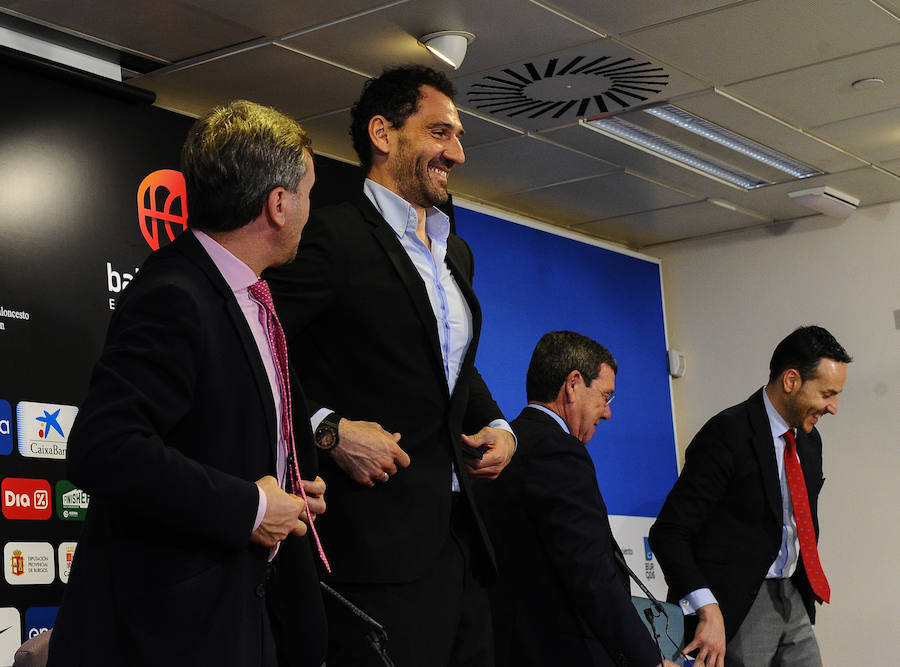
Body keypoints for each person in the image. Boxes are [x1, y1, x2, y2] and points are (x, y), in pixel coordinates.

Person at [47, 100, 327, 667]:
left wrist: (289, 492)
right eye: (307, 194)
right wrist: (251, 506)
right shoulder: (175, 292)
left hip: (237, 621)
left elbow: (214, 435)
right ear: (277, 204)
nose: (308, 212)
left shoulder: (250, 298)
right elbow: (106, 447)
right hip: (169, 635)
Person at [265, 65, 516, 666]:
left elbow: (450, 365)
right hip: (373, 549)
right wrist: (328, 428)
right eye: (439, 133)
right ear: (383, 133)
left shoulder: (457, 250)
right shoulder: (330, 235)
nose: (456, 152)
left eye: (457, 137)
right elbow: (262, 348)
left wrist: (500, 425)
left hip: (461, 540)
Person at [649, 325, 852, 667]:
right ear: (791, 381)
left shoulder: (809, 439)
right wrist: (707, 608)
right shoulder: (726, 434)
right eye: (827, 393)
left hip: (794, 593)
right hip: (735, 603)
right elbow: (669, 532)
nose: (833, 407)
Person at [477, 331, 678, 667]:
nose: (608, 413)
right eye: (606, 396)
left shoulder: (505, 446)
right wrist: (650, 661)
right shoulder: (558, 451)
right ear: (573, 384)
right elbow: (592, 575)